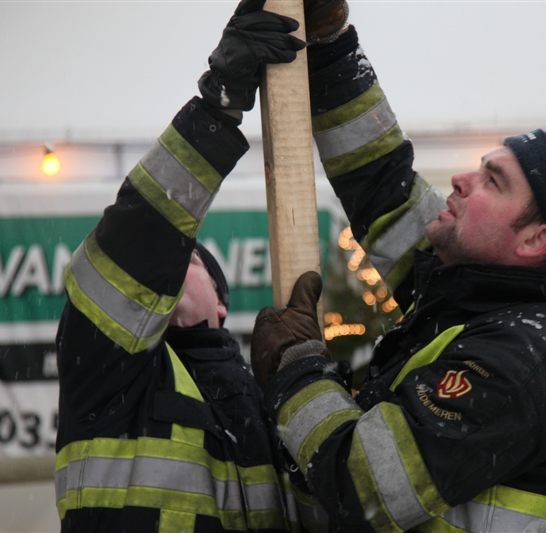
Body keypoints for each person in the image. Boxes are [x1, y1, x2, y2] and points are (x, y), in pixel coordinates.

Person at [250, 2, 546, 531]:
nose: (462, 180)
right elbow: (382, 185)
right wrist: (330, 48)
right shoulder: (473, 294)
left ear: (535, 240)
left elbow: (366, 489)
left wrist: (298, 369)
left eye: (493, 182)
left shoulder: (522, 358)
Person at [52, 1, 322, 531]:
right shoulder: (110, 375)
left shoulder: (270, 406)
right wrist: (216, 108)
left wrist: (305, 383)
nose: (169, 266)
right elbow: (139, 242)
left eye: (191, 258)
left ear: (221, 301)